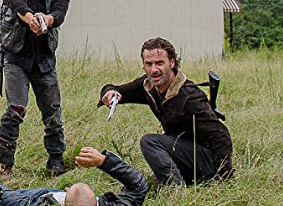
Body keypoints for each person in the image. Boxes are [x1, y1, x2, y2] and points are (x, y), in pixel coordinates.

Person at [99, 36, 233, 185]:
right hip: (184, 154)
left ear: (172, 63)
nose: (154, 70)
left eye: (159, 63)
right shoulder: (148, 86)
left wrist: (222, 180)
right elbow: (120, 90)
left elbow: (221, 136)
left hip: (205, 161)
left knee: (149, 142)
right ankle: (173, 180)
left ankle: (175, 190)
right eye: (148, 64)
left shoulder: (190, 98)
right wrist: (110, 92)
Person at [0, 0, 71, 176]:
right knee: (15, 109)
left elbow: (60, 11)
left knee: (53, 114)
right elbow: (14, 1)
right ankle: (5, 164)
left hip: (44, 59)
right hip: (16, 57)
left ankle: (56, 161)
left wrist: (47, 21)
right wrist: (30, 18)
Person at [0, 147, 149, 206]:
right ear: (97, 203)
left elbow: (6, 203)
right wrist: (103, 162)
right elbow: (139, 185)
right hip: (51, 198)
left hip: (40, 200)